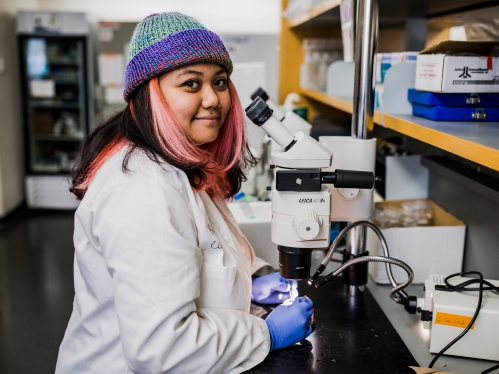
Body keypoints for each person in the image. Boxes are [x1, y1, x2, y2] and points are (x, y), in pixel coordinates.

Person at [55, 12, 313, 374]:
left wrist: (246, 285)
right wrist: (265, 333)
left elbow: (200, 254)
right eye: (191, 84)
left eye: (220, 82)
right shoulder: (142, 191)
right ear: (151, 95)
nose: (213, 99)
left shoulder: (177, 166)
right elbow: (162, 349)